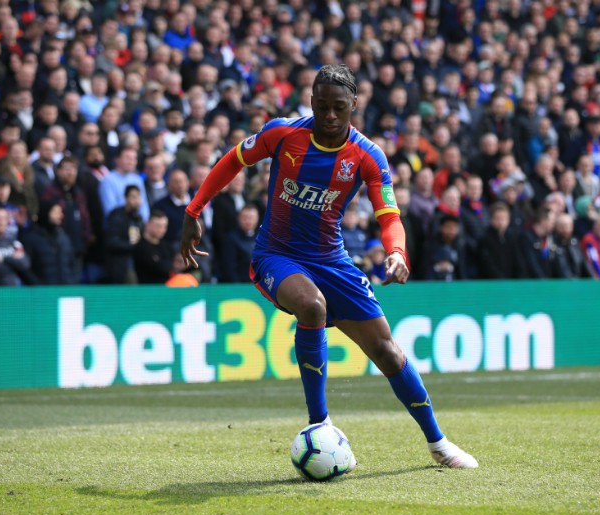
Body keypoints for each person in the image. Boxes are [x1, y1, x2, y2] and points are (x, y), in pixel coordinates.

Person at [180, 65, 477, 469]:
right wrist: (194, 209)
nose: (330, 115)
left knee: (388, 352)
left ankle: (438, 443)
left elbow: (389, 215)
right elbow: (232, 160)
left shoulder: (367, 155)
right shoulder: (282, 133)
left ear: (355, 104)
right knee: (312, 307)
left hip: (332, 260)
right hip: (277, 255)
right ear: (312, 102)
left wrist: (397, 253)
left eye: (340, 107)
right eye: (322, 106)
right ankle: (319, 423)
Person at [133, 209, 174, 284]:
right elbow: (160, 268)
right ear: (148, 224)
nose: (162, 230)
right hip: (148, 290)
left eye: (164, 226)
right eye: (158, 226)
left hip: (167, 288)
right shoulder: (141, 247)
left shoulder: (166, 245)